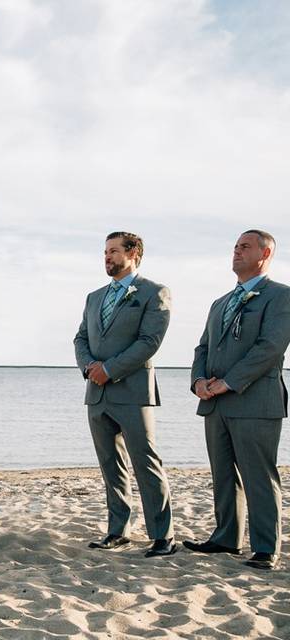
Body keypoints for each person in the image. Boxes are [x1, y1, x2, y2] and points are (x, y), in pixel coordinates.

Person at [185, 229, 290, 571]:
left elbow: (269, 348)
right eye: (234, 246)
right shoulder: (220, 303)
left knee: (258, 474)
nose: (236, 251)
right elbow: (203, 347)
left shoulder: (280, 296)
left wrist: (228, 383)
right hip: (215, 402)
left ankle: (265, 547)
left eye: (245, 246)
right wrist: (199, 381)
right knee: (223, 474)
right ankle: (226, 537)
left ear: (266, 253)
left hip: (255, 401)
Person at [73, 232, 176, 557]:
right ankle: (118, 531)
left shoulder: (153, 292)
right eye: (105, 251)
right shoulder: (94, 296)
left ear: (134, 254)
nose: (107, 257)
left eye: (114, 251)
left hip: (133, 393)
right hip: (97, 393)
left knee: (146, 463)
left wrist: (110, 369)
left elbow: (149, 341)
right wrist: (90, 367)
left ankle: (164, 536)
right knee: (110, 466)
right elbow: (80, 338)